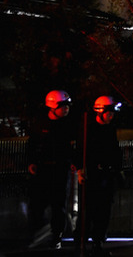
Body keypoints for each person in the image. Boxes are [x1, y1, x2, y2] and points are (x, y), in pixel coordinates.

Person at [27, 90, 77, 250]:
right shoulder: (40, 124)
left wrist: (74, 163)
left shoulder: (68, 125)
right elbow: (32, 145)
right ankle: (36, 234)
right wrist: (32, 162)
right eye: (63, 106)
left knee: (59, 205)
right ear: (52, 106)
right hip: (43, 169)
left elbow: (74, 147)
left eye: (67, 106)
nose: (66, 109)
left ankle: (57, 236)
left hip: (61, 169)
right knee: (37, 203)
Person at [74, 96, 124, 257]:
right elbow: (80, 151)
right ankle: (80, 242)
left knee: (105, 209)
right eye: (108, 112)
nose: (111, 116)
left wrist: (118, 169)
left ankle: (98, 241)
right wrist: (80, 170)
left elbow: (115, 150)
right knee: (89, 209)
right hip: (93, 175)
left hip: (108, 174)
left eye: (112, 113)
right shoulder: (88, 129)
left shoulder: (111, 128)